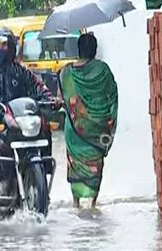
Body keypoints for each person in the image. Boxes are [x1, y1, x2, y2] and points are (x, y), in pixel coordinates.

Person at [0, 27, 57, 203]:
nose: (1, 48)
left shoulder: (20, 71)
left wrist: (51, 100)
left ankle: (43, 170)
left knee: (44, 128)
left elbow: (38, 87)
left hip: (17, 119)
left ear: (13, 47)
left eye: (5, 44)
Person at [58, 33, 118, 208]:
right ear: (95, 50)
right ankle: (92, 204)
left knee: (74, 164)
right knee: (95, 165)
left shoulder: (66, 72)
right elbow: (112, 96)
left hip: (75, 130)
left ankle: (76, 203)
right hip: (98, 128)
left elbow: (62, 99)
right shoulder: (103, 70)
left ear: (78, 50)